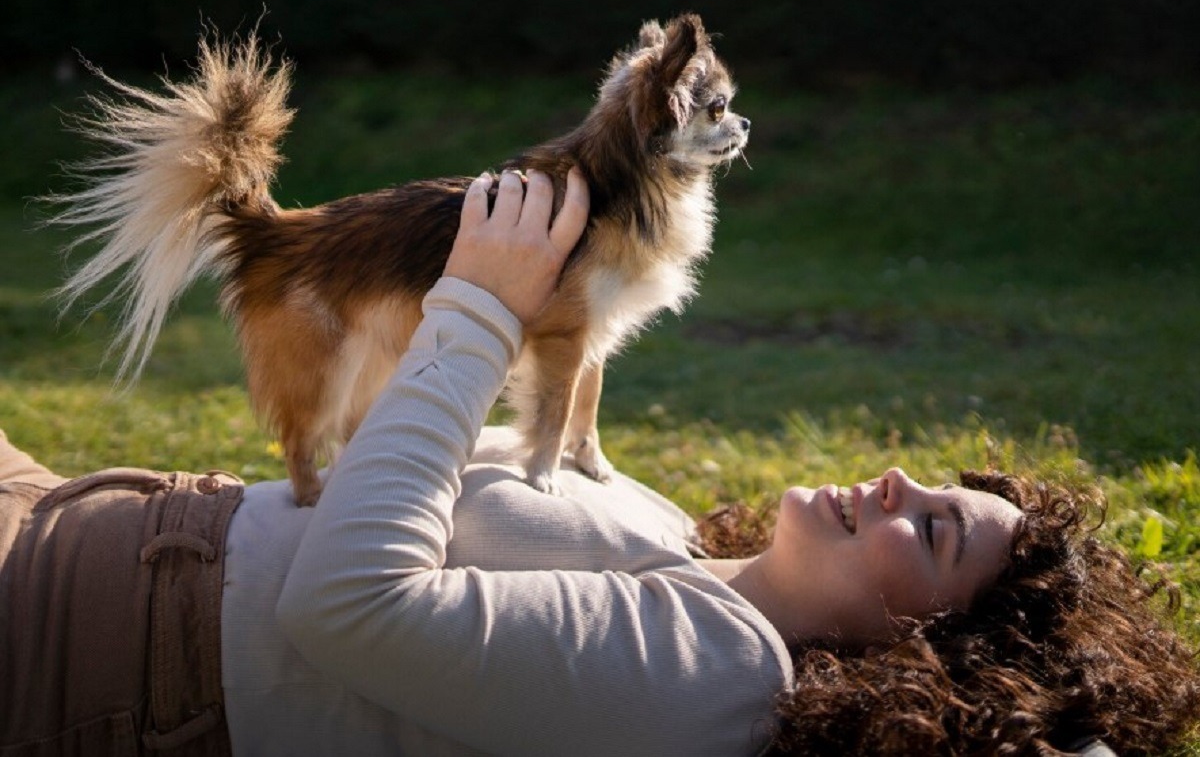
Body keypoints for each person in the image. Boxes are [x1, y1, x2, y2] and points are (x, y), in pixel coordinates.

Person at [1, 169, 1197, 756]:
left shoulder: (716, 680)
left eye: (930, 532)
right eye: (932, 487)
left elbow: (349, 605)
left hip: (80, 634)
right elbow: (412, 479)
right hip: (97, 536)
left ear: (924, 648)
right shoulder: (686, 554)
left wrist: (473, 315)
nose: (896, 484)